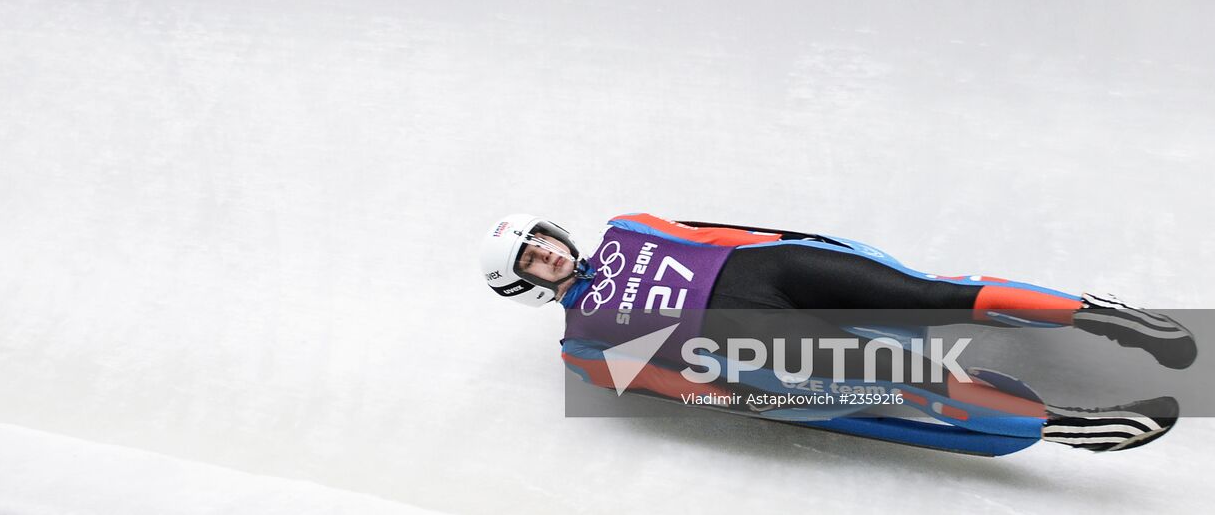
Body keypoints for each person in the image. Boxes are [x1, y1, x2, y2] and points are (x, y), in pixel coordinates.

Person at [480, 213, 1197, 455]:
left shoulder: (625, 226)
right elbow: (679, 390)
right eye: (530, 258)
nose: (544, 252)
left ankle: (1107, 317)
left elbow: (724, 232)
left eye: (540, 238)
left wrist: (818, 243)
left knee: (934, 294)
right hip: (748, 338)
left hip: (777, 270)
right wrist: (760, 401)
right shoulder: (583, 347)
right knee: (911, 372)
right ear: (525, 286)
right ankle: (1079, 428)